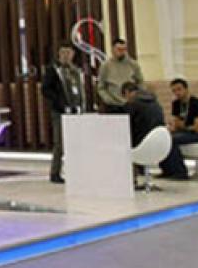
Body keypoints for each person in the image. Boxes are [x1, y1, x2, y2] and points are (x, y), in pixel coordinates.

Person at [41, 42, 87, 184]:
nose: (66, 56)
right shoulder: (53, 70)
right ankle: (55, 172)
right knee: (60, 143)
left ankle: (76, 170)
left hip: (76, 110)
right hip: (60, 111)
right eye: (63, 53)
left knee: (76, 142)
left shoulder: (76, 71)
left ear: (73, 54)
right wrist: (58, 102)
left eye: (68, 53)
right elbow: (45, 89)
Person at [123, 82, 189, 179]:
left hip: (143, 143)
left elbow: (127, 125)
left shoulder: (132, 104)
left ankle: (135, 172)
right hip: (160, 139)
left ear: (127, 92)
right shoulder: (155, 102)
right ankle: (173, 171)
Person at [97, 38, 144, 113]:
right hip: (113, 106)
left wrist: (137, 97)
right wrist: (108, 100)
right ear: (113, 50)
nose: (122, 52)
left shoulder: (133, 64)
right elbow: (101, 87)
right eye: (119, 49)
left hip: (131, 104)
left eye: (124, 49)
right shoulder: (105, 66)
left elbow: (140, 82)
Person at [168, 78, 198, 148]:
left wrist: (182, 126)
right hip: (185, 132)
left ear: (186, 89)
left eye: (179, 89)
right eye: (174, 91)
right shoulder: (176, 104)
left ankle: (177, 156)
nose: (177, 93)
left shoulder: (196, 103)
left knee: (173, 139)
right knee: (165, 137)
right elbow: (176, 124)